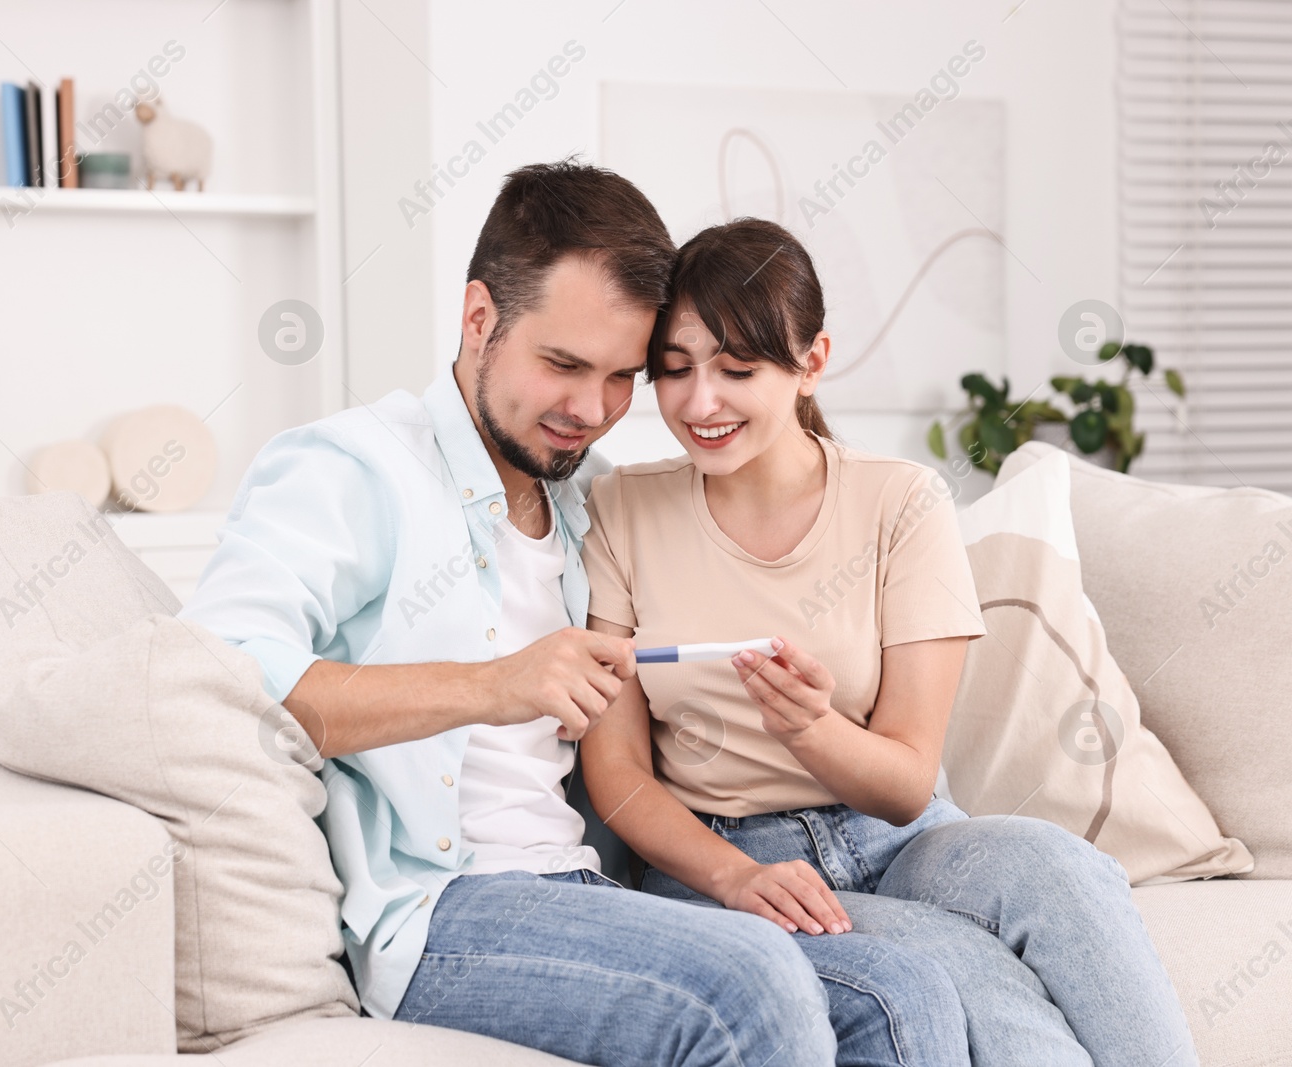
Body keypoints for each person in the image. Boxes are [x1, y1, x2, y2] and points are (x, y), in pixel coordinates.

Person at [181, 162, 975, 1065]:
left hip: (586, 886)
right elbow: (221, 677)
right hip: (441, 906)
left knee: (898, 998)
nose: (591, 410)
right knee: (752, 983)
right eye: (562, 364)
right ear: (479, 318)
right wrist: (491, 686)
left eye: (621, 377)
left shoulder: (594, 503)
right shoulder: (351, 470)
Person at [579, 217, 1201, 1067]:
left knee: (1066, 870)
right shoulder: (623, 510)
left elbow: (907, 783)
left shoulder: (900, 501)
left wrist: (811, 726)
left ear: (812, 363)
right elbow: (615, 774)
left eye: (737, 368)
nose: (699, 403)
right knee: (965, 975)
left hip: (896, 837)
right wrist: (731, 874)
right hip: (723, 858)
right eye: (676, 370)